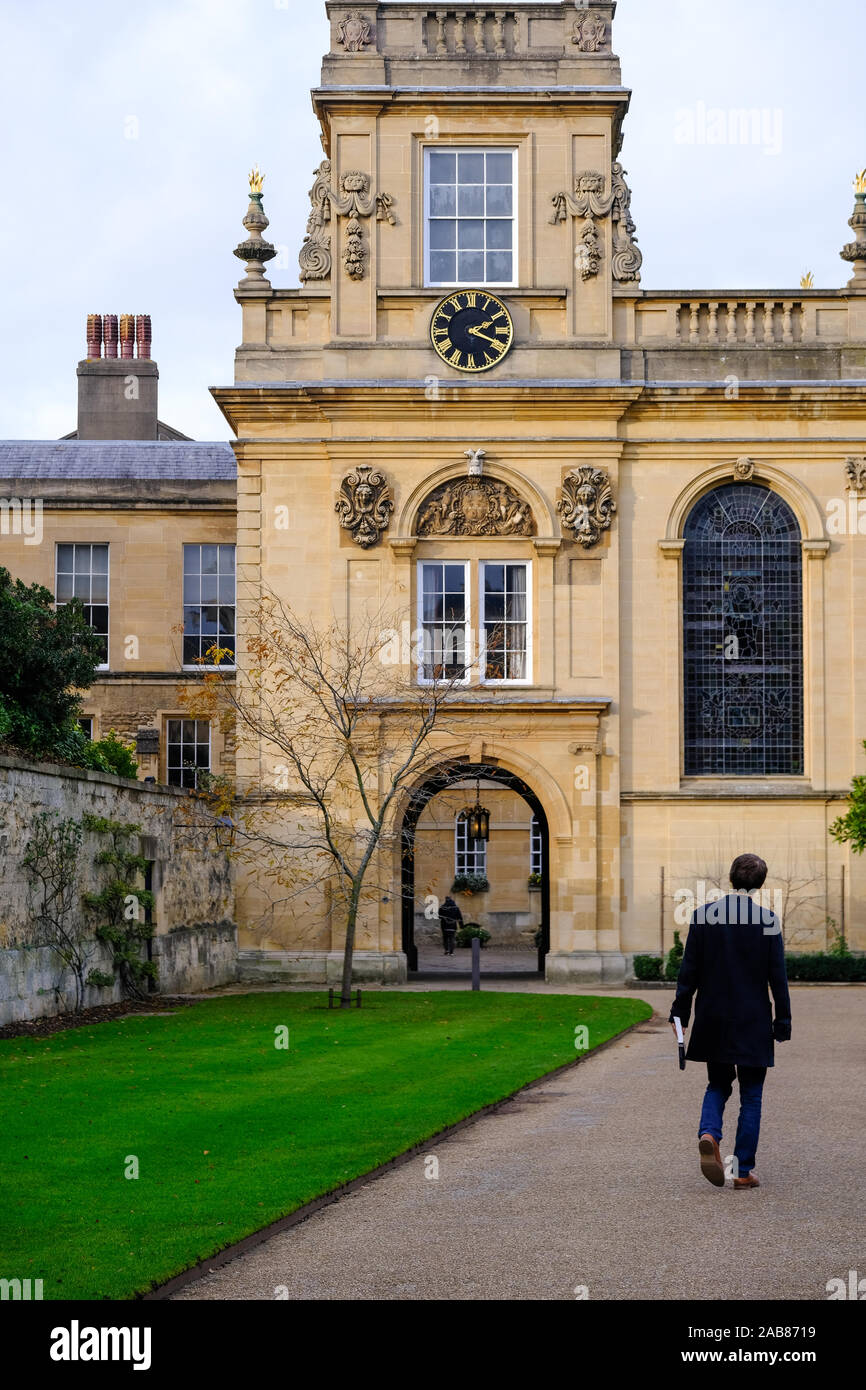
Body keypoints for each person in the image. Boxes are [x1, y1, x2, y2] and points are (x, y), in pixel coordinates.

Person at [669, 853, 792, 1191]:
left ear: (731, 878)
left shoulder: (703, 916)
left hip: (714, 1017)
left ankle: (709, 1133)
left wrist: (680, 1012)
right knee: (751, 1095)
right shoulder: (768, 921)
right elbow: (777, 979)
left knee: (718, 1085)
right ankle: (741, 1170)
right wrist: (783, 1020)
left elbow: (688, 974)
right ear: (761, 883)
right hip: (752, 1018)